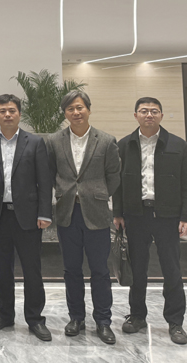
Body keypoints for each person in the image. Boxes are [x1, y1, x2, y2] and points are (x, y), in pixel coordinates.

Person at [113, 97, 187, 345]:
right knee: (137, 270)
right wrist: (118, 213)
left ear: (161, 115)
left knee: (172, 270)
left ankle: (175, 322)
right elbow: (117, 183)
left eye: (154, 111)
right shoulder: (124, 145)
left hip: (167, 217)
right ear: (135, 115)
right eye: (144, 111)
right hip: (136, 216)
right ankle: (137, 316)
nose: (149, 114)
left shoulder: (178, 145)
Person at [46, 90, 121, 344]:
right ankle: (76, 318)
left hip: (96, 213)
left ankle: (103, 321)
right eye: (70, 109)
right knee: (71, 270)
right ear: (65, 113)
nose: (76, 112)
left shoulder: (106, 141)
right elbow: (51, 174)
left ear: (88, 109)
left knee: (100, 270)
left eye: (80, 107)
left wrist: (98, 194)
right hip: (67, 213)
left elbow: (114, 176)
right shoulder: (54, 141)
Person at [0, 94, 53, 341]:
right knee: (2, 270)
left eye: (12, 110)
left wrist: (45, 213)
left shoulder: (35, 142)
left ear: (19, 114)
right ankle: (4, 315)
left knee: (32, 271)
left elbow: (45, 181)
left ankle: (35, 319)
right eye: (2, 111)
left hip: (29, 217)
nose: (7, 114)